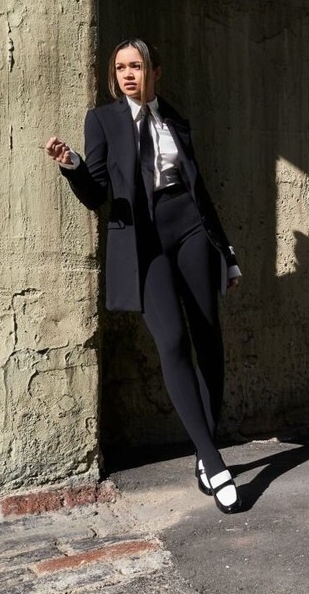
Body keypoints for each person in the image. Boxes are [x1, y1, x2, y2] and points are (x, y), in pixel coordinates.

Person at [44, 38, 243, 514]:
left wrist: (227, 252)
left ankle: (205, 450)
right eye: (121, 68)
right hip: (143, 240)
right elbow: (96, 194)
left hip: (190, 229)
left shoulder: (174, 118)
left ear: (155, 70)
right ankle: (213, 461)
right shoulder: (103, 120)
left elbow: (199, 189)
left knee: (209, 339)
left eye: (136, 66)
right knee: (172, 341)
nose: (128, 74)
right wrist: (72, 165)